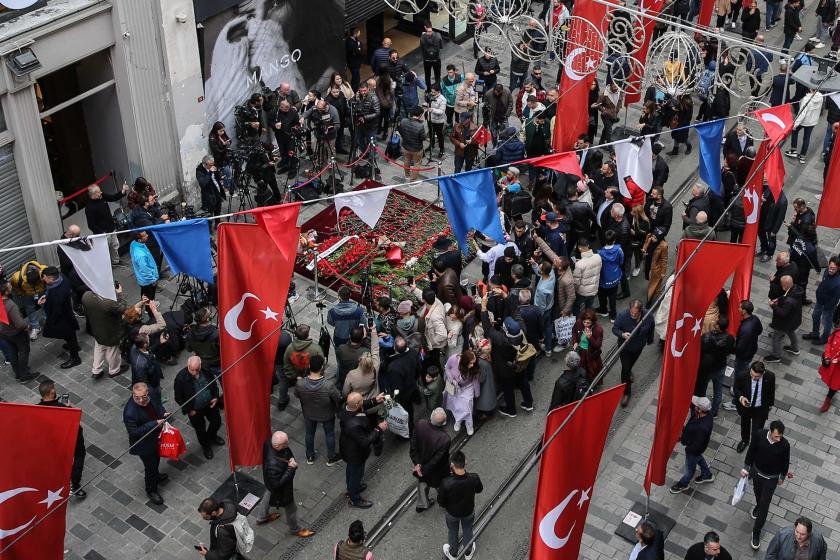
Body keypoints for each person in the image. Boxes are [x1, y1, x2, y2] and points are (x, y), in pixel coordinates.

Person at [252, 431, 315, 537]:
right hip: (281, 489)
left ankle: (261, 517)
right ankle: (296, 529)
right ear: (277, 445)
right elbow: (277, 484)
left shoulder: (269, 442)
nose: (288, 444)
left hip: (269, 481)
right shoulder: (273, 465)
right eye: (285, 444)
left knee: (268, 493)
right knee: (291, 508)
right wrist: (291, 468)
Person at [741, 420, 791, 549]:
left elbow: (786, 461)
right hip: (757, 472)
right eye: (776, 436)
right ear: (770, 432)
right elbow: (751, 451)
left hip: (771, 479)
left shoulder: (785, 445)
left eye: (780, 436)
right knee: (757, 493)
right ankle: (758, 505)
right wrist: (746, 467)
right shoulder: (759, 435)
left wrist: (782, 476)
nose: (778, 439)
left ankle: (756, 532)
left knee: (765, 505)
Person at [38, 381, 87, 499]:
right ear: (51, 392)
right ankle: (74, 485)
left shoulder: (37, 409)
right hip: (72, 439)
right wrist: (69, 407)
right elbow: (75, 419)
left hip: (54, 442)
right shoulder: (62, 408)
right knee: (79, 457)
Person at [123, 382, 169, 504]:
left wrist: (162, 413)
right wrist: (154, 423)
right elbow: (133, 432)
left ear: (147, 392)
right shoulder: (130, 412)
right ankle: (151, 490)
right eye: (137, 397)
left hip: (156, 437)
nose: (140, 400)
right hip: (145, 444)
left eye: (143, 397)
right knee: (150, 467)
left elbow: (158, 406)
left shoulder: (152, 394)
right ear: (133, 394)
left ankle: (157, 475)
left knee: (156, 460)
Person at [339, 392, 387, 508]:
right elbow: (364, 441)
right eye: (361, 400)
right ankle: (355, 498)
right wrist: (378, 429)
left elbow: (361, 405)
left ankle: (351, 488)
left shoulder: (347, 409)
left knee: (351, 470)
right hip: (356, 454)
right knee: (356, 474)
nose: (363, 402)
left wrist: (375, 400)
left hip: (348, 450)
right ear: (356, 405)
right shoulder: (354, 425)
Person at [294, 354, 342, 466]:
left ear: (309, 366)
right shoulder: (328, 385)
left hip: (309, 413)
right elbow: (338, 398)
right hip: (327, 414)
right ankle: (331, 457)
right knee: (329, 434)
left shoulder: (300, 383)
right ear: (322, 368)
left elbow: (296, 395)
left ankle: (310, 456)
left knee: (309, 434)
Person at [174, 356, 223, 460]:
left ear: (200, 365)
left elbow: (213, 383)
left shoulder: (205, 369)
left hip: (210, 404)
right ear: (188, 366)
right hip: (195, 410)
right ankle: (206, 446)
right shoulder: (180, 378)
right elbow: (178, 397)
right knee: (200, 429)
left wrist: (215, 397)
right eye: (192, 370)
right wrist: (189, 410)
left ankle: (211, 436)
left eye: (197, 369)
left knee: (216, 422)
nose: (195, 372)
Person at [438, 450, 483, 560]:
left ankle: (453, 553)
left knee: (453, 531)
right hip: (468, 511)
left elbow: (441, 501)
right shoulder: (474, 477)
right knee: (468, 529)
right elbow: (479, 489)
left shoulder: (446, 482)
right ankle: (468, 551)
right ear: (465, 462)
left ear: (452, 464)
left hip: (452, 513)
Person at [612, 299, 655, 407]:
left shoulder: (648, 316)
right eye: (632, 313)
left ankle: (629, 371)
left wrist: (650, 339)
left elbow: (651, 328)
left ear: (641, 311)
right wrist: (622, 334)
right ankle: (626, 392)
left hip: (638, 347)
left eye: (636, 313)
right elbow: (615, 329)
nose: (633, 315)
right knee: (625, 369)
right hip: (625, 347)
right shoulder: (622, 316)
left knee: (630, 364)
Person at [670, 396, 715, 493]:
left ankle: (683, 484)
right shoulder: (703, 414)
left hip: (693, 450)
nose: (694, 406)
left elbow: (697, 444)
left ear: (699, 409)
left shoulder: (703, 428)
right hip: (695, 448)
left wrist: (688, 449)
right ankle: (707, 475)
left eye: (696, 405)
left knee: (689, 471)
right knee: (698, 458)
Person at [410, 407, 451, 512]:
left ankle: (422, 504)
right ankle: (444, 502)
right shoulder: (445, 438)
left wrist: (417, 464)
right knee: (440, 485)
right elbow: (437, 460)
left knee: (422, 484)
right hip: (438, 470)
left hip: (421, 465)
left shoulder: (420, 424)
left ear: (431, 415)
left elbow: (413, 446)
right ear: (444, 422)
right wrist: (423, 469)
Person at [82, 284, 127, 379]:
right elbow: (122, 308)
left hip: (96, 328)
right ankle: (114, 370)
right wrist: (120, 294)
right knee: (112, 351)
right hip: (110, 331)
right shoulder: (108, 303)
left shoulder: (86, 296)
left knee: (99, 347)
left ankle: (96, 369)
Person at [40, 266, 81, 369]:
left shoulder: (57, 293)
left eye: (44, 277)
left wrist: (51, 321)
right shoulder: (62, 278)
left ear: (51, 279)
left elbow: (56, 310)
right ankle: (75, 347)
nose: (43, 279)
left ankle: (75, 358)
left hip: (63, 317)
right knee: (71, 333)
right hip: (67, 313)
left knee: (68, 335)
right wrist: (46, 296)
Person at [381, 336, 422, 434]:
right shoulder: (413, 352)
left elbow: (397, 387)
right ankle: (417, 399)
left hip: (404, 394)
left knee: (408, 411)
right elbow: (418, 368)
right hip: (412, 384)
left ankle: (409, 429)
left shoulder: (394, 368)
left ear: (395, 349)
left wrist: (394, 398)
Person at [734, 361, 775, 452]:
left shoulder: (770, 376)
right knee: (745, 425)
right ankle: (744, 441)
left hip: (760, 409)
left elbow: (771, 391)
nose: (753, 377)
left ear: (763, 373)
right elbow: (736, 388)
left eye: (756, 376)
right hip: (746, 407)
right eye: (752, 374)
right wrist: (741, 398)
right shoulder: (742, 375)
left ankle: (754, 445)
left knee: (757, 431)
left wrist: (770, 405)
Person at [698, 317, 734, 416]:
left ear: (717, 326)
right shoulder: (730, 338)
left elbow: (700, 352)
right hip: (720, 367)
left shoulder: (706, 337)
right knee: (718, 390)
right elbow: (731, 350)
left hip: (707, 370)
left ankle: (701, 409)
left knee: (702, 391)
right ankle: (714, 412)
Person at [84, 183, 129, 265]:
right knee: (105, 250)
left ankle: (116, 261)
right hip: (103, 233)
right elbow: (91, 225)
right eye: (98, 192)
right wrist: (101, 232)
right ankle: (106, 266)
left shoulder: (102, 197)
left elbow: (113, 197)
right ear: (93, 194)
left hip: (111, 228)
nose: (101, 192)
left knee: (115, 245)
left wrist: (123, 191)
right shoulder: (89, 208)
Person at [0, 283, 36, 382]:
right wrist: (28, 326)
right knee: (23, 351)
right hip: (16, 334)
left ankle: (17, 373)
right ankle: (24, 375)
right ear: (6, 291)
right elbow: (19, 325)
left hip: (4, 333)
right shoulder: (11, 305)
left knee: (12, 352)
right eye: (10, 288)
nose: (11, 289)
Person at [765, 275, 803, 363]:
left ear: (785, 286)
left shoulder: (789, 301)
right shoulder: (796, 289)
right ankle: (795, 348)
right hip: (794, 320)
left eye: (781, 284)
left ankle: (776, 355)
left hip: (784, 323)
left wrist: (773, 305)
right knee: (791, 332)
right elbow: (786, 296)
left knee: (776, 337)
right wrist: (778, 299)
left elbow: (782, 313)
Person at [443, 351, 481, 435]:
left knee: (468, 407)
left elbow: (475, 380)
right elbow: (447, 367)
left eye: (474, 363)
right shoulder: (453, 358)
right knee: (456, 406)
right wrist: (451, 379)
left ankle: (469, 425)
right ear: (464, 362)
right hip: (455, 387)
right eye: (470, 363)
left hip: (468, 387)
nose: (472, 365)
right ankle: (458, 420)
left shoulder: (473, 368)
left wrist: (476, 392)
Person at [805, 254, 840, 343]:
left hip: (827, 306)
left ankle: (824, 339)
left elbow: (835, 299)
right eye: (830, 267)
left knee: (826, 323)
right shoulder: (826, 272)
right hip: (820, 301)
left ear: (838, 268)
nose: (830, 270)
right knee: (815, 316)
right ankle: (815, 333)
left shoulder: (838, 283)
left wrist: (827, 307)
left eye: (833, 268)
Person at [597, 230, 624, 321]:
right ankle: (613, 315)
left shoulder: (600, 253)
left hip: (603, 279)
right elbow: (621, 261)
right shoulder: (619, 250)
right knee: (613, 297)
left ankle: (603, 310)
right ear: (614, 240)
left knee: (602, 296)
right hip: (615, 278)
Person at [130, 231, 160, 308]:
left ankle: (146, 305)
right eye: (145, 235)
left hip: (142, 280)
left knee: (145, 293)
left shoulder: (134, 243)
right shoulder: (140, 255)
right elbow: (145, 271)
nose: (147, 235)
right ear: (139, 239)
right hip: (148, 281)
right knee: (150, 295)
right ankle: (150, 309)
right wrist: (153, 280)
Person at [818, 318, 840, 412]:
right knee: (830, 381)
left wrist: (837, 360)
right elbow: (829, 343)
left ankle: (828, 399)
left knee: (834, 385)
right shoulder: (837, 332)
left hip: (838, 368)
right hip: (831, 364)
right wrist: (827, 356)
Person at [427, 84, 447, 159]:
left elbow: (441, 111)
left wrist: (432, 110)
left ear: (438, 92)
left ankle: (442, 149)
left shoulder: (443, 99)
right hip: (430, 119)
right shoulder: (430, 96)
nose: (432, 93)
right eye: (431, 92)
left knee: (439, 135)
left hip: (438, 121)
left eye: (434, 92)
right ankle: (431, 145)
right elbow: (428, 104)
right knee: (431, 133)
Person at [420, 21, 443, 86]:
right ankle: (437, 89)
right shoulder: (438, 35)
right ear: (431, 26)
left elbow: (422, 49)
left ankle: (429, 90)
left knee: (427, 76)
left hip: (427, 60)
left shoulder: (422, 37)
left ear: (425, 27)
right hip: (436, 59)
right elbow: (441, 46)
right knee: (437, 75)